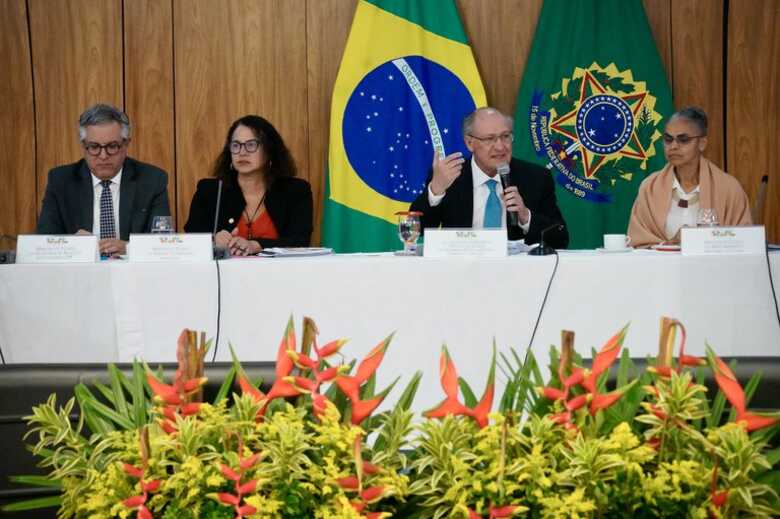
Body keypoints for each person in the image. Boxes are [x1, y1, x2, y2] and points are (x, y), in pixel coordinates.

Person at [410, 107, 568, 248]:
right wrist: (436, 190)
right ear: (469, 143)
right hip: (460, 271)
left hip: (517, 274)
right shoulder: (450, 177)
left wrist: (525, 216)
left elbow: (560, 239)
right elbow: (416, 230)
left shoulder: (536, 178)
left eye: (505, 136)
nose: (500, 146)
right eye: (489, 139)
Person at [36, 103, 170, 256]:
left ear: (126, 144)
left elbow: (162, 244)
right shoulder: (61, 181)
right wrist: (73, 245)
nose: (103, 156)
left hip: (133, 274)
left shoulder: (152, 180)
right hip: (77, 274)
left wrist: (129, 249)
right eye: (94, 147)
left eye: (112, 146)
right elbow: (44, 241)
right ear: (83, 146)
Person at [184, 115, 313, 255]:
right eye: (236, 145)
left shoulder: (296, 191)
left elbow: (300, 242)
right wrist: (213, 241)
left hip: (280, 274)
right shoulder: (210, 191)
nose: (242, 152)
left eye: (251, 145)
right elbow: (190, 241)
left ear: (269, 151)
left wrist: (256, 245)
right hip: (224, 275)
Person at [627, 106, 751, 248]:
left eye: (683, 139)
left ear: (702, 143)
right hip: (661, 268)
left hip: (714, 268)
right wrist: (669, 244)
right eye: (668, 139)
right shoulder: (649, 187)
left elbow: (743, 242)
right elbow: (637, 242)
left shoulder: (728, 188)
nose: (673, 146)